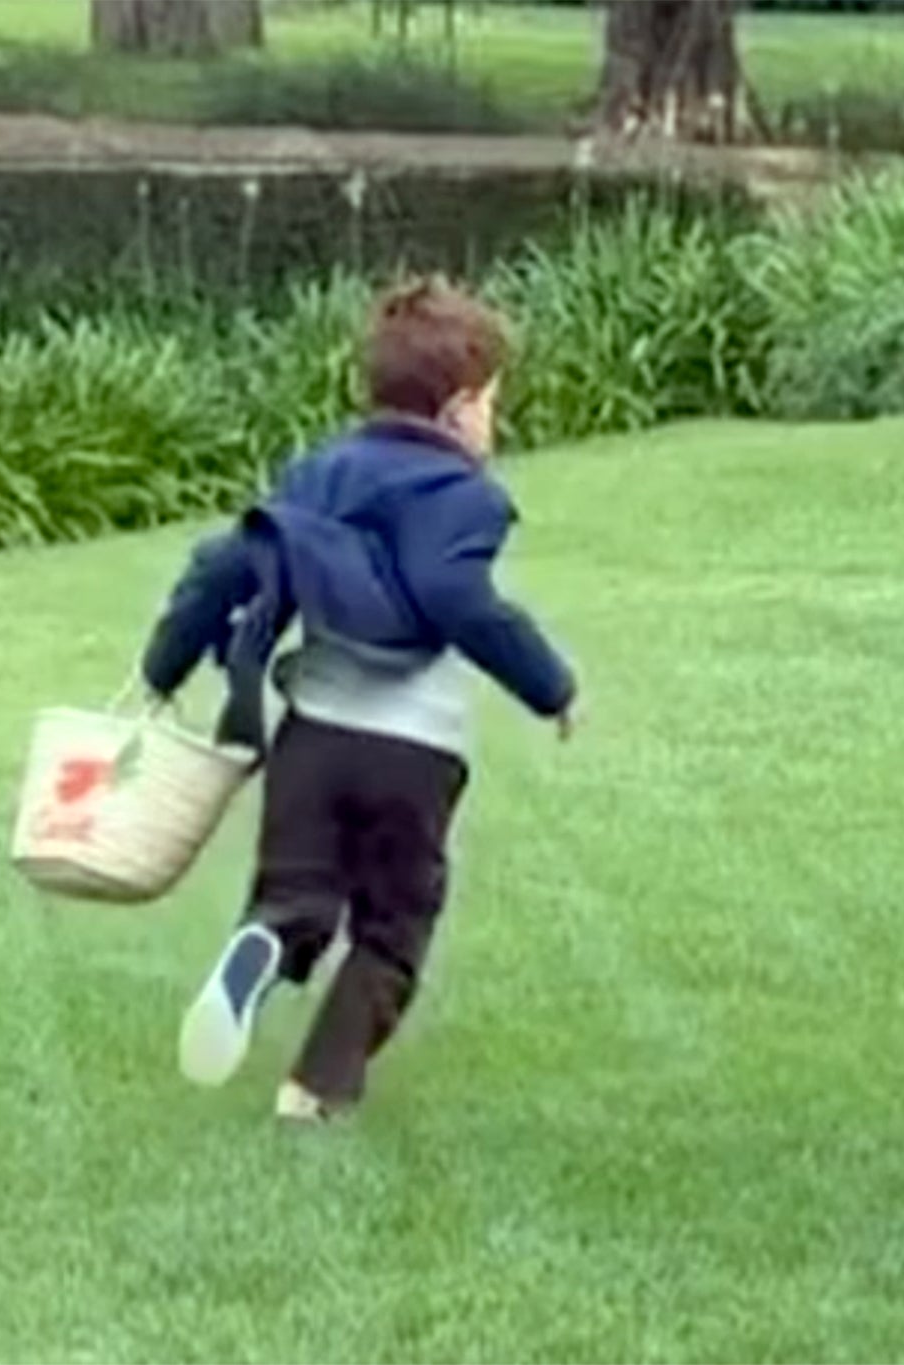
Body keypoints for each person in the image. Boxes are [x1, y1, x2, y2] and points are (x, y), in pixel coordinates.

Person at [141, 278, 577, 1123]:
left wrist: (164, 668)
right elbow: (457, 598)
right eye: (493, 402)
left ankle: (261, 946)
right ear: (459, 409)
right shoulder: (465, 495)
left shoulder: (318, 473)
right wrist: (550, 685)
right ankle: (315, 1087)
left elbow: (223, 567)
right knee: (393, 925)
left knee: (297, 894)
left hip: (313, 741)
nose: (494, 421)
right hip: (413, 754)